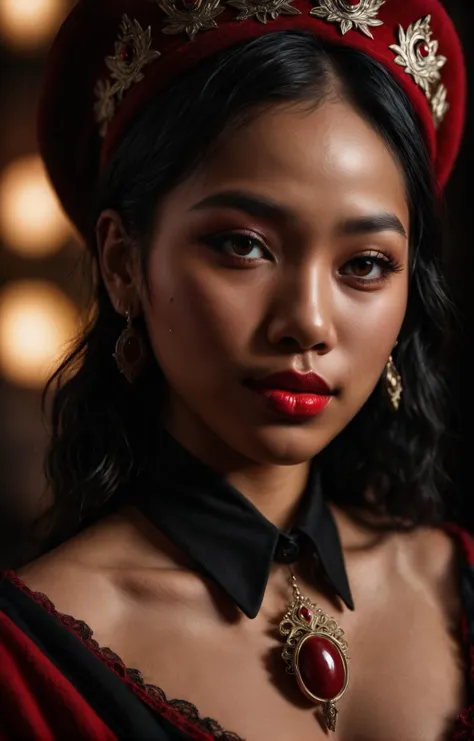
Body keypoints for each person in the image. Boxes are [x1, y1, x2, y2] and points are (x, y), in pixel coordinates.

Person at [0, 0, 471, 738]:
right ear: (124, 263)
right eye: (244, 246)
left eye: (366, 264)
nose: (309, 323)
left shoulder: (460, 582)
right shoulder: (26, 663)